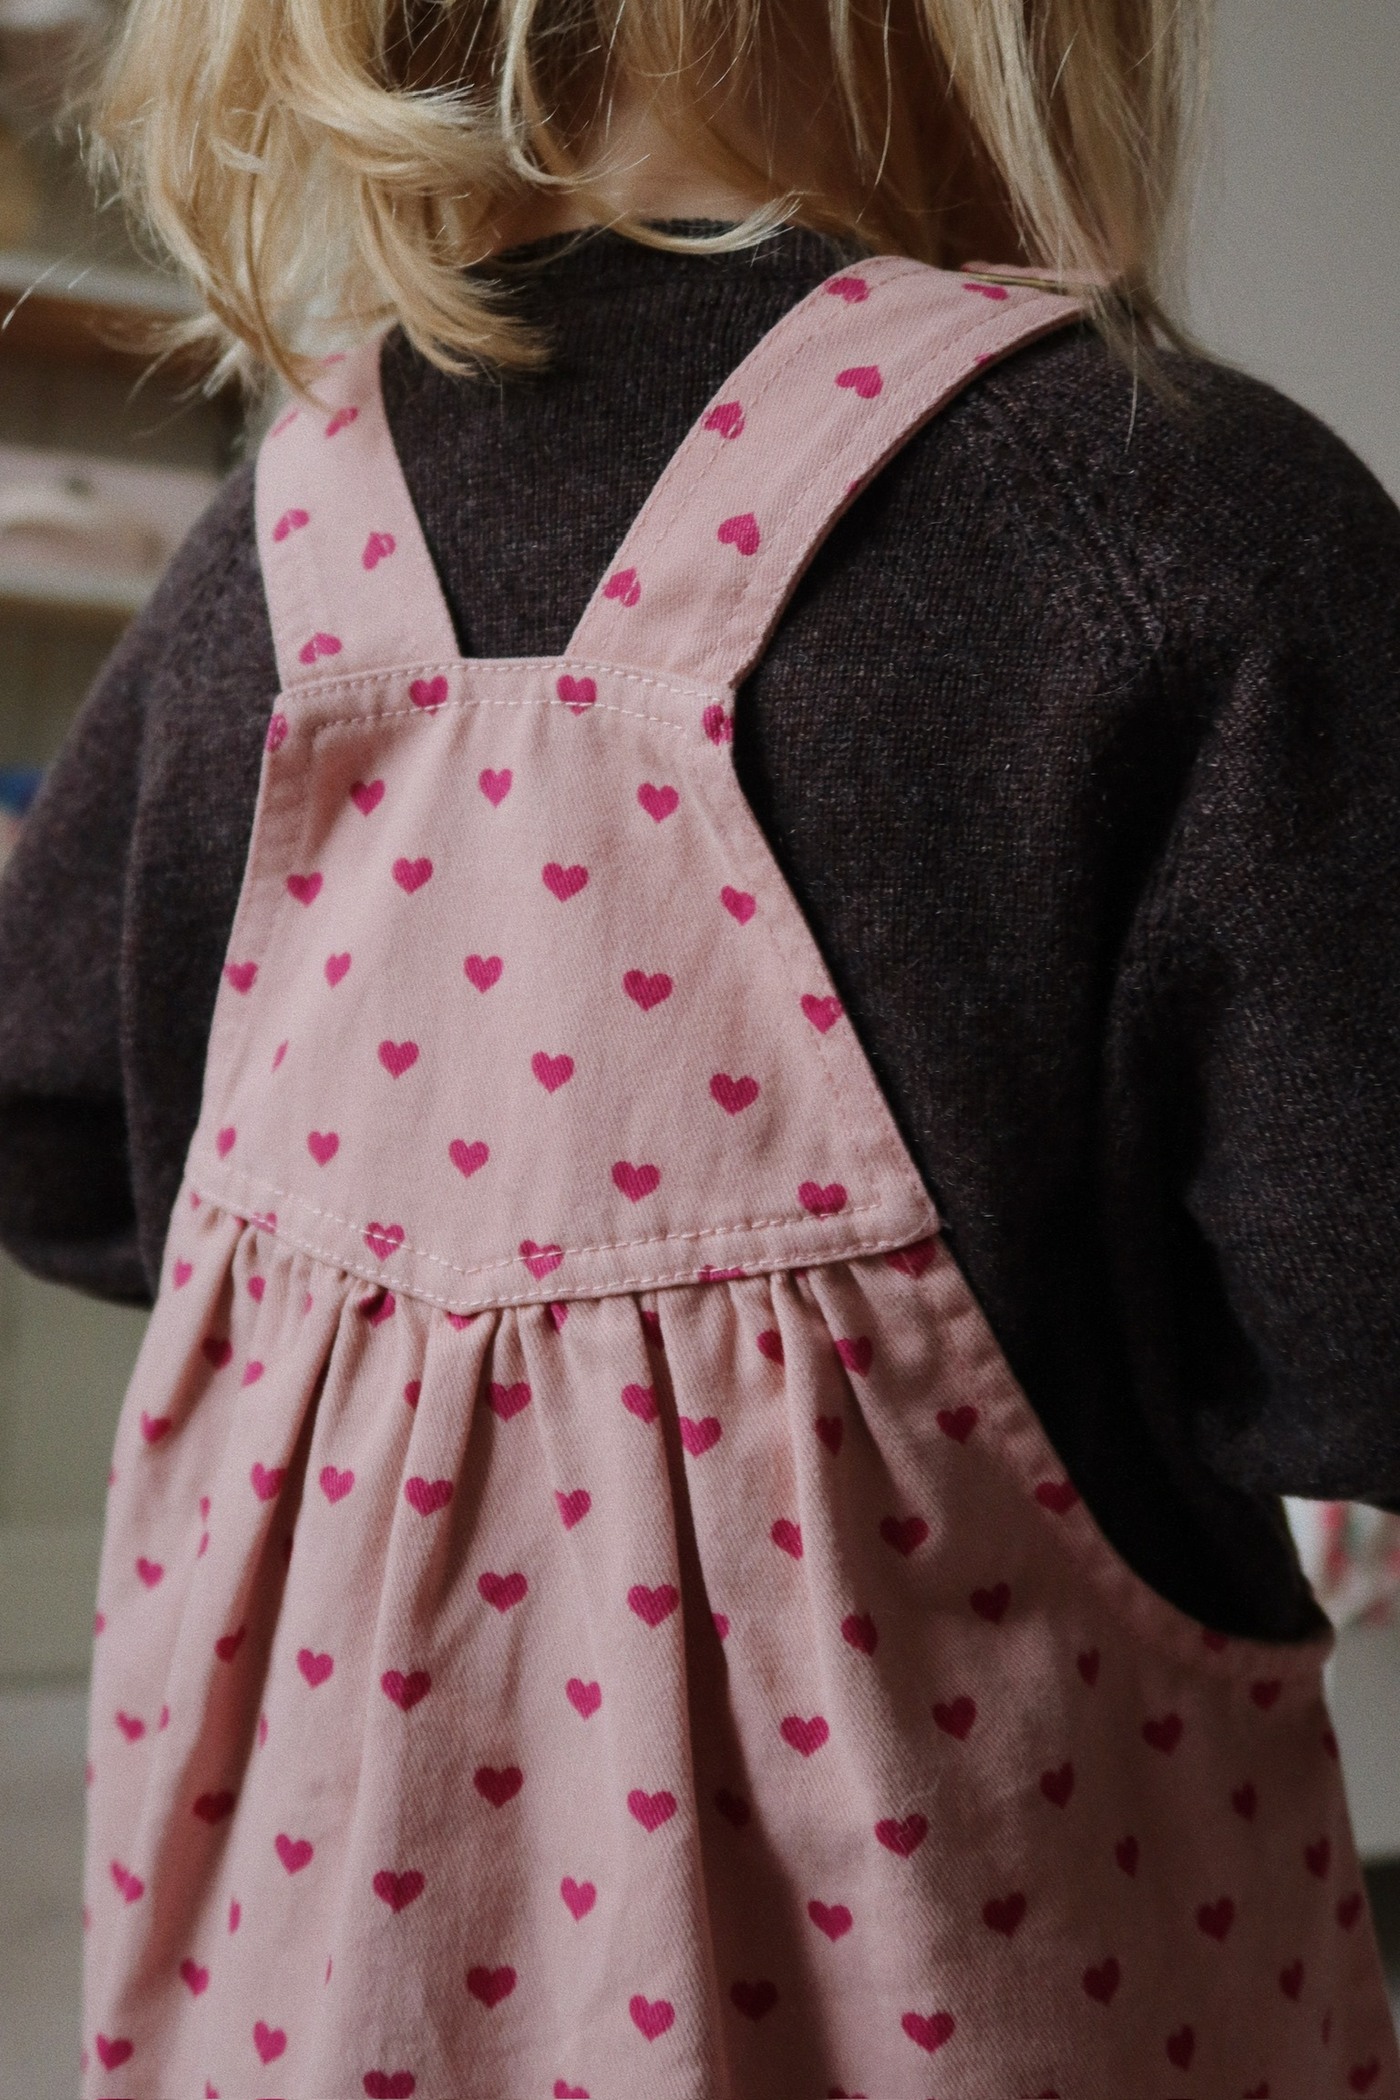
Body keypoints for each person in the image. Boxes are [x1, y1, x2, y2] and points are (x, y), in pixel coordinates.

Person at [0, 0, 1397, 2090]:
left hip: (338, 2003)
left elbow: (62, 1144)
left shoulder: (260, 565)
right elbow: (1362, 1332)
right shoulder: (1162, 517)